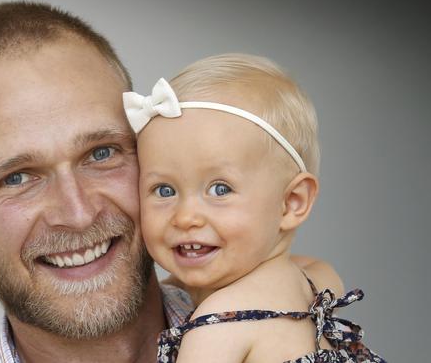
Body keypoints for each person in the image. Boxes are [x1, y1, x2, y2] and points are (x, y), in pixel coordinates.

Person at [0, 2, 341, 362]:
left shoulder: (290, 320)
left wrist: (286, 290)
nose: (78, 215)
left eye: (101, 153)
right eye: (17, 178)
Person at [123, 54, 385, 362]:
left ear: (292, 202)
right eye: (164, 190)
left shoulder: (219, 327)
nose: (185, 217)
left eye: (220, 189)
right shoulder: (315, 281)